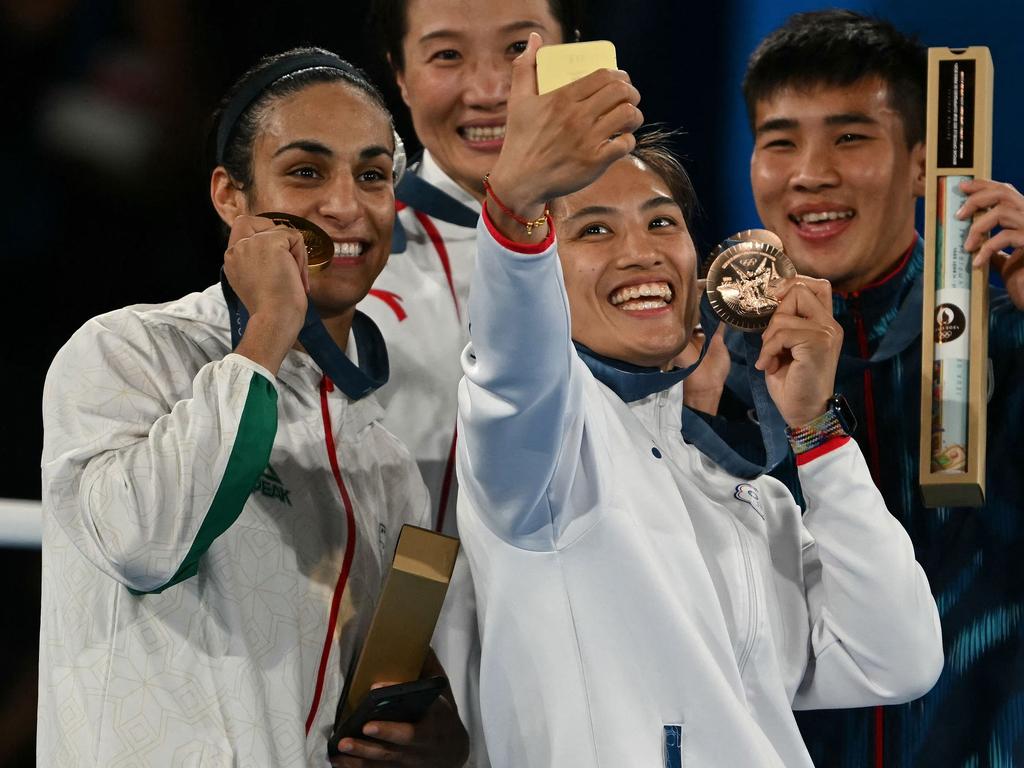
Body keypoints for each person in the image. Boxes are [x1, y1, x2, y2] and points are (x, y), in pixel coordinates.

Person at [455, 32, 943, 767]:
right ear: (543, 268)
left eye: (662, 222)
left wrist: (815, 429)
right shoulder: (547, 453)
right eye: (592, 229)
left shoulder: (745, 493)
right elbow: (510, 366)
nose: (641, 250)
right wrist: (516, 203)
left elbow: (897, 658)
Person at [38, 47, 467, 767]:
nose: (344, 206)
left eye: (371, 175)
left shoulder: (384, 462)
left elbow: (370, 705)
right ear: (229, 195)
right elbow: (147, 544)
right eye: (305, 171)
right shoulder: (128, 354)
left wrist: (433, 741)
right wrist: (268, 328)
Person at [733, 10, 1024, 766]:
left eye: (850, 136)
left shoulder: (1010, 329)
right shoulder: (719, 365)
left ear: (925, 160)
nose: (810, 173)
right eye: (780, 141)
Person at [357, 0, 580, 534]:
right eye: (448, 55)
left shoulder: (646, 245)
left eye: (518, 49)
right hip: (426, 612)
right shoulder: (349, 271)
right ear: (401, 76)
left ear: (574, 52)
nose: (488, 92)